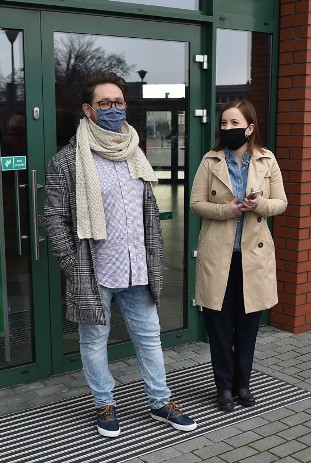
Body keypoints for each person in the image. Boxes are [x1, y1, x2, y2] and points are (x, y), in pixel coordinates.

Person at [42, 71, 197, 438]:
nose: (113, 109)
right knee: (94, 340)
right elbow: (53, 216)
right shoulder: (68, 160)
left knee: (149, 336)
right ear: (88, 110)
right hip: (94, 269)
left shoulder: (134, 154)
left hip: (136, 267)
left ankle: (160, 401)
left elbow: (147, 212)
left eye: (119, 102)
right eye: (105, 103)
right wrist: (70, 261)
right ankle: (104, 403)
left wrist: (153, 250)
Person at [190, 100, 288, 412]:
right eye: (225, 123)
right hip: (219, 257)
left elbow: (281, 202)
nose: (228, 129)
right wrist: (227, 210)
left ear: (250, 127)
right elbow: (195, 203)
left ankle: (242, 385)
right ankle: (223, 388)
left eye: (235, 123)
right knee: (219, 330)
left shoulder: (267, 159)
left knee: (247, 329)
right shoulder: (210, 160)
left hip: (253, 259)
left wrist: (259, 205)